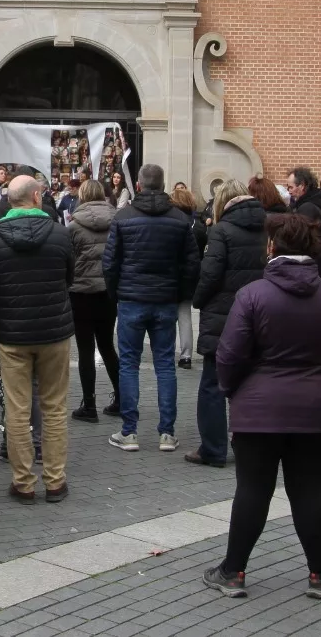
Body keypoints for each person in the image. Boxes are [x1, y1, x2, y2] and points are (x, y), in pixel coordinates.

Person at [202, 213, 321, 600]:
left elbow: (230, 354)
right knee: (308, 489)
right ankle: (320, 575)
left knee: (253, 489)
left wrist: (234, 390)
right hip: (314, 406)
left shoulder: (253, 295)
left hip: (258, 408)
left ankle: (233, 571)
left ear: (272, 248)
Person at [0, 175, 75, 503]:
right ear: (37, 197)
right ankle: (54, 481)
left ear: (8, 201)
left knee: (18, 409)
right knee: (54, 406)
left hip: (12, 332)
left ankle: (23, 482)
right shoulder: (61, 235)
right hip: (54, 332)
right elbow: (69, 277)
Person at [102, 163, 200, 454]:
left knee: (129, 364)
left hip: (131, 299)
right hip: (165, 300)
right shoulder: (180, 220)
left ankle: (129, 431)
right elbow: (192, 264)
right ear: (163, 184)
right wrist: (179, 293)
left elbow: (110, 262)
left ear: (140, 185)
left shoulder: (123, 217)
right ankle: (167, 433)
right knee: (165, 366)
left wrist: (115, 293)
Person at [190, 179, 266, 468]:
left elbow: (210, 273)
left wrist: (197, 299)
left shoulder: (221, 231)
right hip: (259, 313)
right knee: (251, 382)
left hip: (224, 315)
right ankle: (250, 443)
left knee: (212, 383)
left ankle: (213, 448)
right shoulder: (267, 227)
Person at [66, 179, 120, 421]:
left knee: (85, 350)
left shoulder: (74, 226)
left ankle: (89, 405)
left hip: (81, 293)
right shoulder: (118, 222)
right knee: (108, 346)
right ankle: (121, 398)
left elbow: (68, 261)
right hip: (108, 292)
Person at [169, 186, 207, 370]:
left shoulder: (170, 223)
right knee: (185, 317)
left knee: (168, 316)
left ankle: (167, 351)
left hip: (171, 275)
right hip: (191, 277)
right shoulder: (198, 226)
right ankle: (186, 356)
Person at [285, 166, 321, 280]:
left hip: (310, 268)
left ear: (302, 186)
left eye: (290, 187)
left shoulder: (307, 208)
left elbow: (299, 240)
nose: (289, 191)